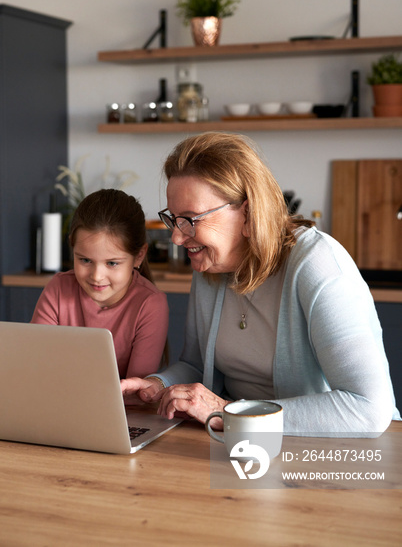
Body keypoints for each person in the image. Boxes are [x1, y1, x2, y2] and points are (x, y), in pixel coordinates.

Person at [121, 132, 400, 437]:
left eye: (190, 219)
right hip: (243, 443)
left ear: (248, 212)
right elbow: (197, 366)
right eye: (173, 219)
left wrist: (229, 413)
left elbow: (369, 409)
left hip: (333, 452)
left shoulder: (316, 264)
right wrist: (158, 384)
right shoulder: (210, 265)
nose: (176, 236)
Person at [31, 188, 169, 379]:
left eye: (112, 263)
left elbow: (136, 392)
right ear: (72, 246)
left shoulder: (150, 304)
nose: (96, 276)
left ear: (139, 256)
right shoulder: (58, 289)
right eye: (85, 260)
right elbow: (35, 364)